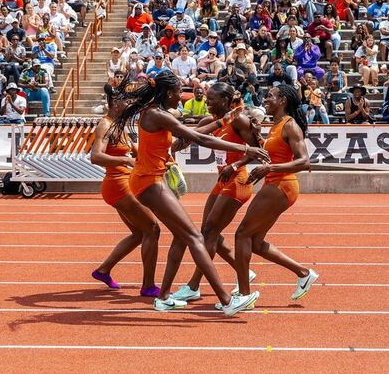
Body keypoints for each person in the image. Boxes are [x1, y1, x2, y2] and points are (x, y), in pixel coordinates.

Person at [107, 71, 269, 315]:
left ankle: (163, 296)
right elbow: (198, 137)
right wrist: (244, 148)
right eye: (177, 92)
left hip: (150, 180)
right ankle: (227, 301)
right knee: (195, 236)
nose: (181, 97)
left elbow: (198, 132)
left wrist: (224, 121)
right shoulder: (158, 115)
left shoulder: (154, 113)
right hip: (149, 182)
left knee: (183, 237)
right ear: (168, 93)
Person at [168, 83, 261, 303]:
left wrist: (236, 165)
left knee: (209, 233)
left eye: (212, 100)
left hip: (238, 181)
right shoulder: (208, 122)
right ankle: (243, 272)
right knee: (207, 232)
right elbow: (187, 140)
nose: (207, 103)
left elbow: (258, 151)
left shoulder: (240, 121)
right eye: (207, 99)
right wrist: (178, 142)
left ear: (227, 101)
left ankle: (193, 286)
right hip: (221, 181)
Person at [233, 84, 317, 309]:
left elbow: (304, 161)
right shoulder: (276, 125)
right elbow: (274, 155)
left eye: (270, 96)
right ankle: (303, 273)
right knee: (256, 243)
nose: (265, 99)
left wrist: (269, 169)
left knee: (242, 235)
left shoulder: (290, 126)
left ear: (283, 101)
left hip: (281, 186)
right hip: (276, 184)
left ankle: (243, 295)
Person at [90, 91, 161, 297]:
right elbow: (95, 156)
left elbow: (134, 151)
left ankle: (103, 270)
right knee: (152, 229)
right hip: (118, 184)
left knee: (140, 233)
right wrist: (125, 161)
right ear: (113, 102)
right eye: (125, 100)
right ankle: (148, 286)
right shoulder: (105, 124)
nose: (129, 104)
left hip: (122, 182)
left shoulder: (119, 125)